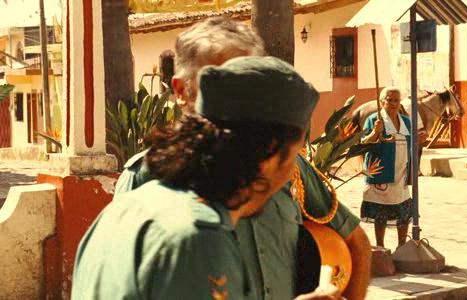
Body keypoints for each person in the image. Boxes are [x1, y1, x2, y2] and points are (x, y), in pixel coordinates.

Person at [113, 17, 371, 300]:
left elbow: (355, 241)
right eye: (225, 83)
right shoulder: (148, 180)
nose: (247, 102)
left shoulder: (286, 165)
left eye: (254, 82)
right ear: (181, 90)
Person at [72, 56, 337, 299]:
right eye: (292, 156)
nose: (291, 172)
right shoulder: (199, 239)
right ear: (269, 156)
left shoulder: (125, 209)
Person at [360, 87, 414, 249]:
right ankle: (380, 246)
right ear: (382, 102)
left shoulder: (406, 121)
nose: (393, 103)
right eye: (389, 100)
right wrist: (375, 133)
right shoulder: (374, 120)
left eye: (396, 100)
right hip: (382, 172)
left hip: (402, 173)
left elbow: (411, 144)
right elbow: (363, 144)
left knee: (403, 212)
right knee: (380, 213)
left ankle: (402, 246)